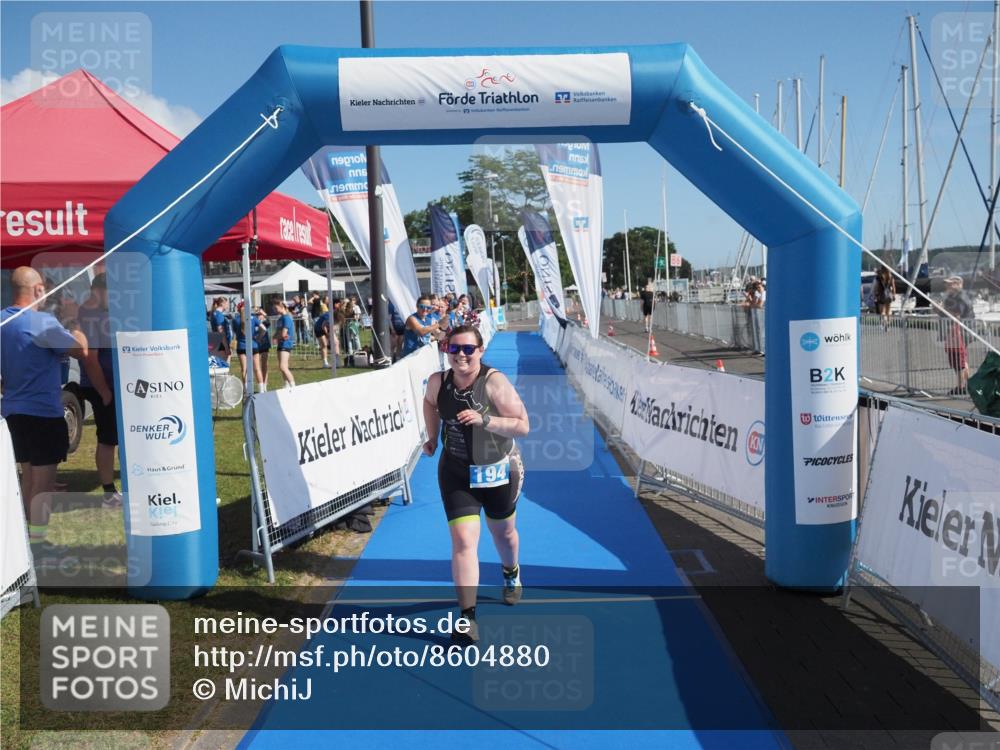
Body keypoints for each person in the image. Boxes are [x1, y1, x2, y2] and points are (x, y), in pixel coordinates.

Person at [421, 325, 530, 644]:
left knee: (504, 533)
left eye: (469, 349)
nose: (462, 356)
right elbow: (429, 404)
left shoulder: (495, 383)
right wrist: (431, 435)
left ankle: (511, 572)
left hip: (498, 471)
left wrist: (486, 421)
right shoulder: (437, 382)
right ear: (446, 351)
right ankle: (467, 617)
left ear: (481, 351)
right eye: (455, 349)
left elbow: (523, 425)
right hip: (455, 471)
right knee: (464, 542)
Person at [1, 267, 102, 554]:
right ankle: (39, 546)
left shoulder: (3, 320)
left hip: (13, 412)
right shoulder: (41, 322)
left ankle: (24, 545)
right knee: (43, 484)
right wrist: (74, 321)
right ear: (38, 290)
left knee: (28, 477)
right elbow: (80, 350)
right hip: (43, 412)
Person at [76, 273, 122, 508]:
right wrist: (104, 392)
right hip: (103, 386)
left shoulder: (100, 313)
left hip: (113, 385)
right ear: (99, 291)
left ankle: (114, 489)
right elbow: (90, 359)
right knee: (108, 439)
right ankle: (108, 493)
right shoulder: (90, 316)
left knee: (115, 437)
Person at [940, 276, 974, 395]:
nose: (947, 286)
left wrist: (941, 310)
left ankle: (961, 387)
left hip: (959, 333)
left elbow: (957, 315)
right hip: (956, 333)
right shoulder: (954, 297)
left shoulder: (960, 297)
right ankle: (966, 384)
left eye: (950, 284)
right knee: (960, 360)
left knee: (958, 360)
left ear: (958, 284)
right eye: (947, 284)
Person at [273, 300, 296, 389]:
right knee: (282, 366)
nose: (275, 310)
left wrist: (277, 337)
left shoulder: (286, 318)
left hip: (286, 344)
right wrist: (275, 337)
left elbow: (283, 334)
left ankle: (293, 385)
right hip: (281, 343)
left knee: (283, 366)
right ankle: (286, 384)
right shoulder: (280, 319)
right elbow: (278, 332)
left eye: (276, 308)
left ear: (282, 307)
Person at [209, 297, 231, 361]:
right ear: (222, 304)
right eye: (227, 304)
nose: (227, 306)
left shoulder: (216, 313)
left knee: (222, 367)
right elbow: (221, 331)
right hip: (221, 344)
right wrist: (226, 347)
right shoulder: (218, 315)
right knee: (224, 367)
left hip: (219, 343)